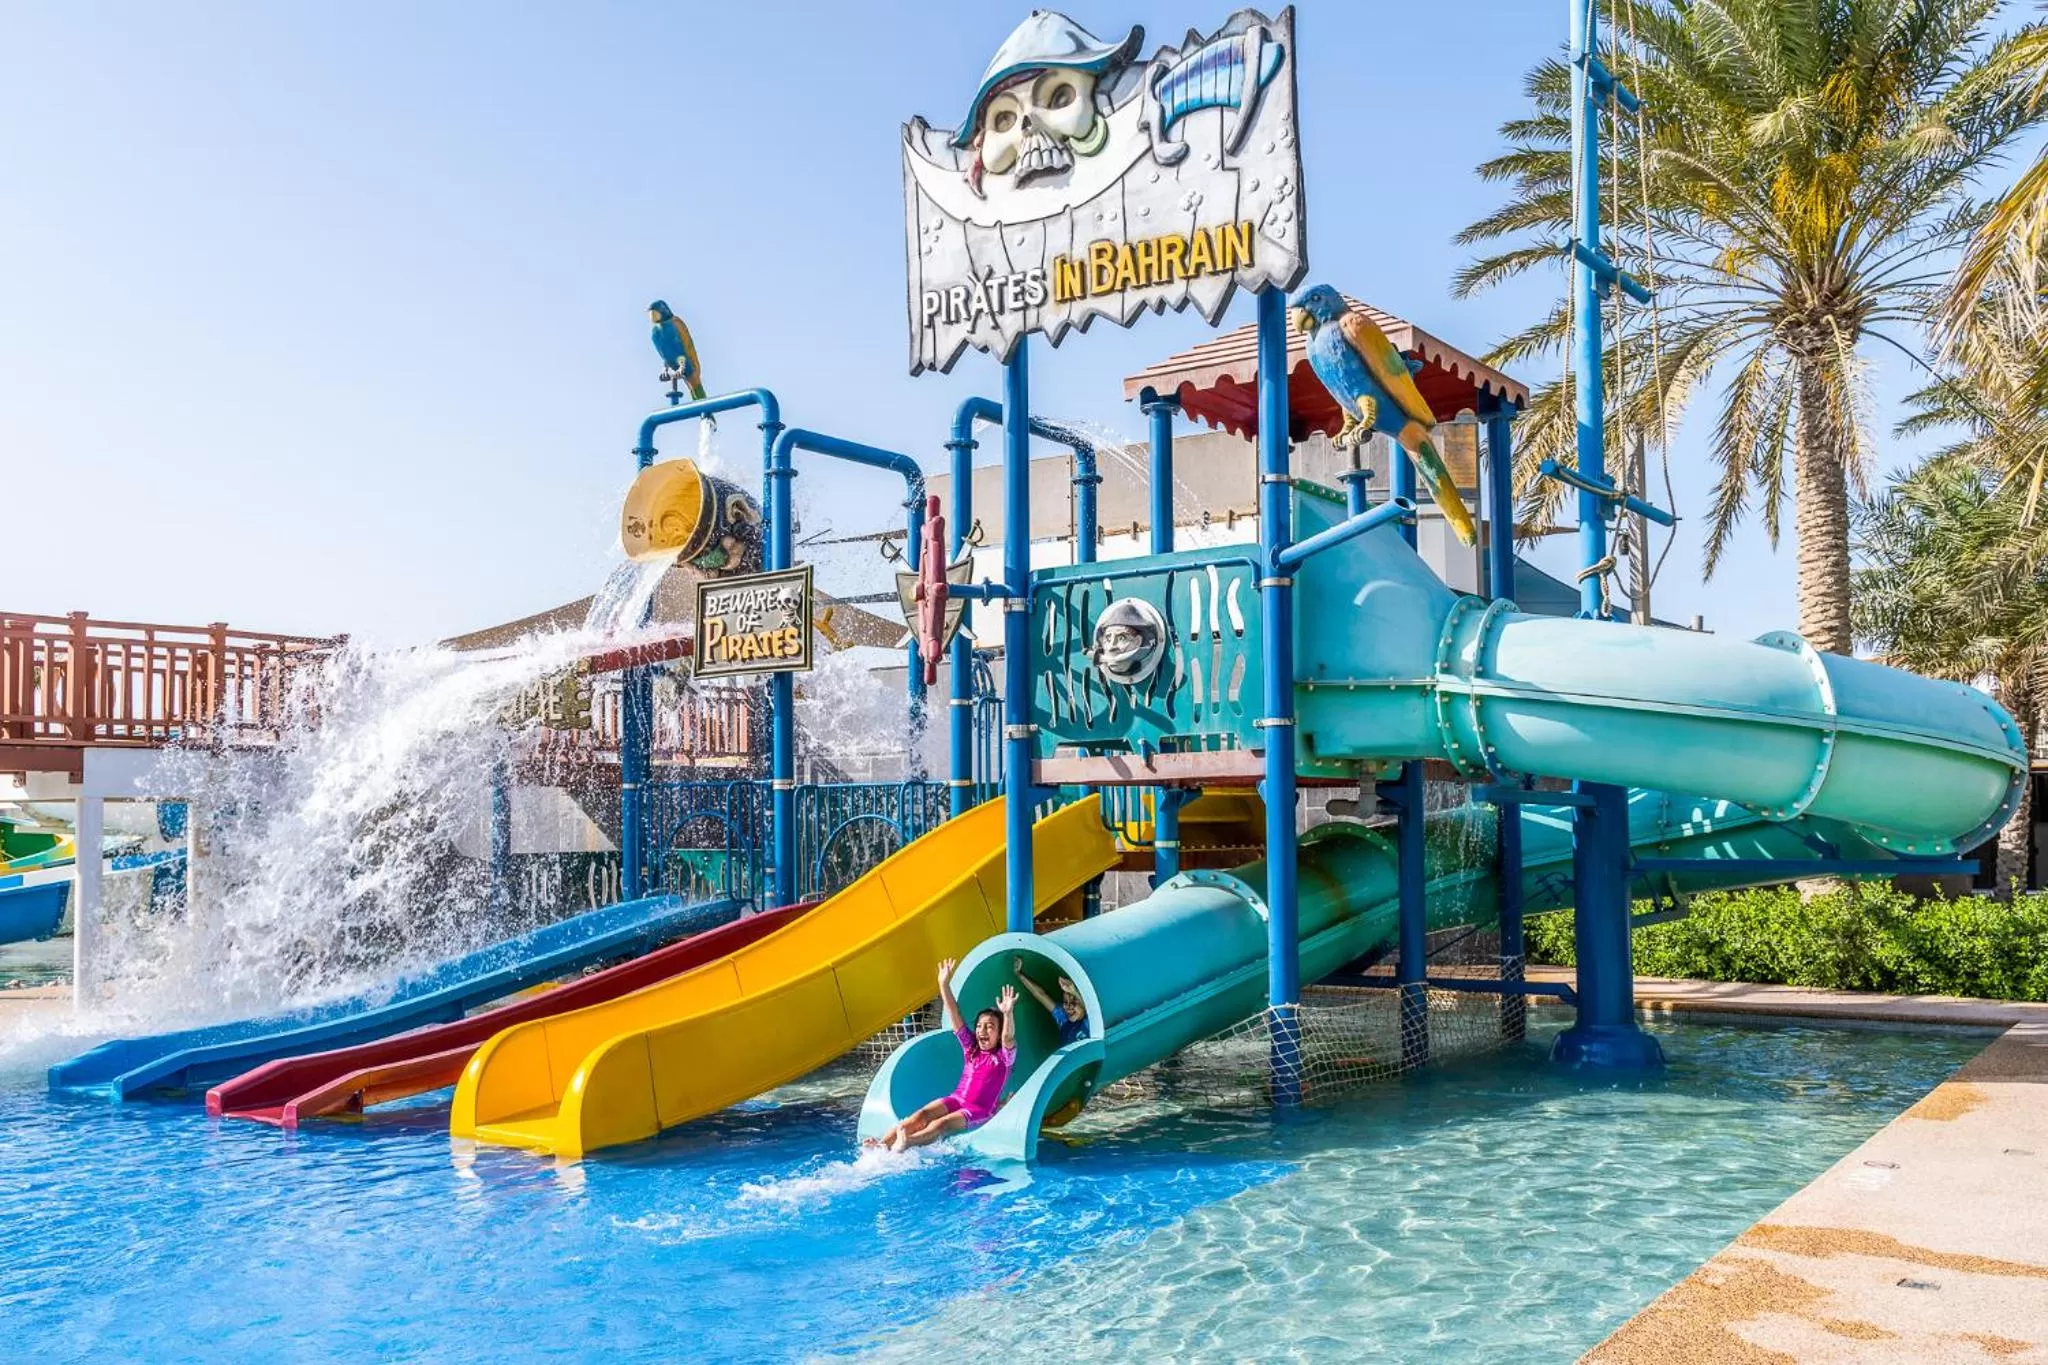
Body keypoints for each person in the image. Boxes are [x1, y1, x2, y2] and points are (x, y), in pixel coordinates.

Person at [867, 957, 1016, 1152]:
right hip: (957, 1098)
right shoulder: (971, 1048)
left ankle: (907, 1142)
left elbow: (1008, 1036)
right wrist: (943, 984)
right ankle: (882, 1144)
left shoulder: (1004, 1058)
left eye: (990, 1027)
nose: (982, 1031)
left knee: (941, 1124)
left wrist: (1008, 1013)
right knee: (921, 1115)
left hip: (979, 1109)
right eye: (979, 1026)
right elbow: (955, 1013)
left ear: (998, 1034)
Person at [1014, 956, 1089, 1046]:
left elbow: (1092, 1011)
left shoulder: (1092, 1022)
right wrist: (1019, 974)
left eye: (1074, 1002)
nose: (1069, 1007)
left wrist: (1074, 992)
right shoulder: (1063, 1020)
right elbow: (1040, 994)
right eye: (1065, 1002)